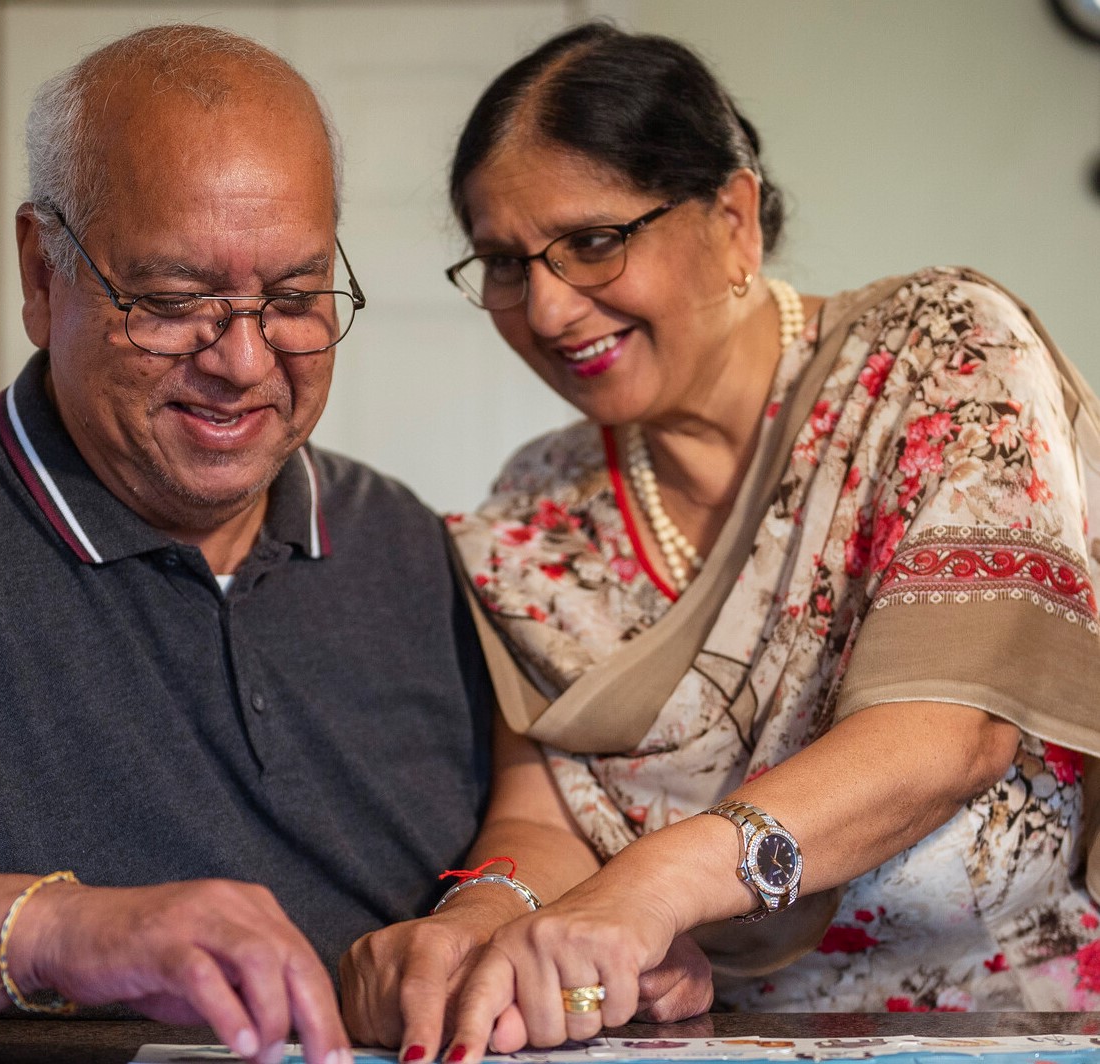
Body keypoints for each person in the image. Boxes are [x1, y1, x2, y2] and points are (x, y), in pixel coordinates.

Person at [0, 26, 496, 1057]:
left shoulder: (404, 545)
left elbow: (534, 828)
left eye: (293, 298)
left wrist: (502, 919)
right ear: (39, 270)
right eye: (169, 300)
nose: (242, 361)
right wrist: (59, 930)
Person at [340, 21, 1100, 1059]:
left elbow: (947, 733)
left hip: (1028, 1030)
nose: (549, 309)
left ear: (733, 217)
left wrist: (648, 887)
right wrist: (480, 924)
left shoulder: (935, 358)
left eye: (593, 240)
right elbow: (544, 818)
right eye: (505, 264)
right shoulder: (535, 513)